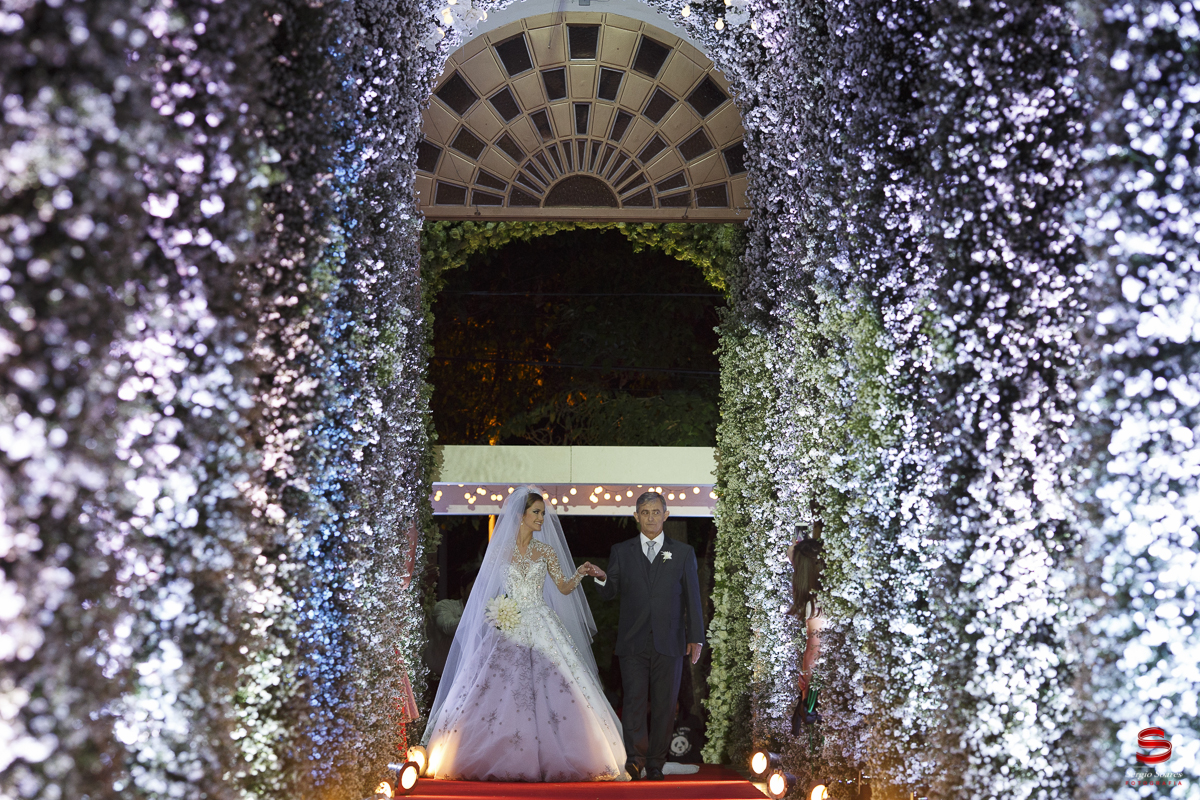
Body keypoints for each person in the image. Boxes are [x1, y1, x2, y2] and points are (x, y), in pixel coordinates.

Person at [421, 487, 627, 781]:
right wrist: (496, 612)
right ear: (521, 515)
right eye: (536, 512)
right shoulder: (499, 551)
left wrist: (581, 573)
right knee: (495, 688)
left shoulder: (546, 551)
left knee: (557, 686)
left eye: (542, 513)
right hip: (509, 622)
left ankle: (563, 753)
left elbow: (563, 587)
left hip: (541, 622)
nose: (541, 518)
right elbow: (484, 590)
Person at [590, 492, 704, 781]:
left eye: (655, 512)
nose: (651, 517)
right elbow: (609, 592)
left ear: (666, 515)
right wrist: (601, 577)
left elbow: (692, 597)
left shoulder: (683, 552)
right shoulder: (622, 550)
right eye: (645, 512)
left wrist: (696, 637)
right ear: (636, 516)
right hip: (633, 640)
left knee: (665, 704)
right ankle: (635, 760)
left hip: (671, 640)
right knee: (634, 703)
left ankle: (656, 762)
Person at [787, 533, 826, 733]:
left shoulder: (815, 604)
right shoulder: (829, 594)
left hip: (825, 679)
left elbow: (814, 650)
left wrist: (806, 696)